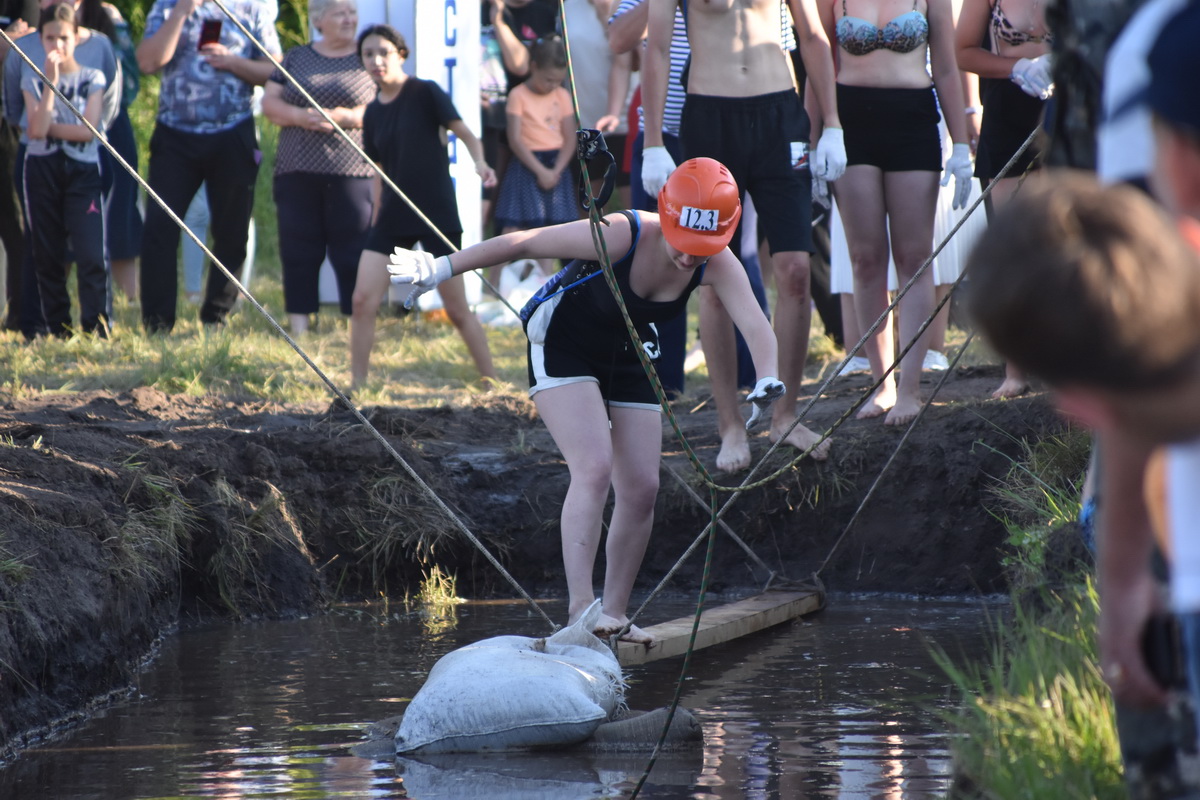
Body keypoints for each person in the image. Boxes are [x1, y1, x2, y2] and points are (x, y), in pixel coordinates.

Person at [388, 158, 785, 642]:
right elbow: (526, 242)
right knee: (594, 466)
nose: (689, 258)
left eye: (702, 248)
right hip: (564, 341)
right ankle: (581, 610)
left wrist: (767, 377)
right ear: (667, 213)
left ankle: (613, 617)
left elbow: (756, 324)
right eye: (682, 242)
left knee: (642, 487)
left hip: (629, 352)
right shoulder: (623, 233)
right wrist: (442, 267)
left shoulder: (717, 261)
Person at [643, 0, 843, 472]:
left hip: (779, 113)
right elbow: (657, 47)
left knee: (795, 270)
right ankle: (730, 424)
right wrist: (652, 141)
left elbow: (813, 36)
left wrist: (831, 122)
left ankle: (785, 415)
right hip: (711, 117)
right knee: (714, 276)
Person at [816, 0, 970, 425]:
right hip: (850, 120)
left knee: (914, 257)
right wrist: (811, 138)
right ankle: (881, 384)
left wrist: (961, 144)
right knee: (866, 258)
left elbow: (946, 67)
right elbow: (820, 63)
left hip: (912, 119)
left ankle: (910, 388)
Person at [349, 25, 497, 390]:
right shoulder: (371, 114)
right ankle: (357, 386)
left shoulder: (425, 92)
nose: (376, 60)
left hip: (436, 213)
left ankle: (492, 384)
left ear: (401, 53)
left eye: (383, 51)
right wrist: (375, 215)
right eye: (368, 54)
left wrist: (480, 163)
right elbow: (379, 172)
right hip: (392, 217)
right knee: (362, 300)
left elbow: (465, 133)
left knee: (457, 309)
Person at [135, 0, 281, 333]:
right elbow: (147, 61)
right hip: (174, 135)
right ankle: (157, 325)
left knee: (232, 231)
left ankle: (216, 317)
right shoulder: (169, 5)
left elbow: (275, 69)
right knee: (159, 228)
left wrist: (232, 63)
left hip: (234, 131)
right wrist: (181, 12)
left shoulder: (252, 8)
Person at [3, 0, 118, 339]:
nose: (57, 46)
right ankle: (57, 328)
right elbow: (31, 127)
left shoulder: (94, 72)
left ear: (76, 38)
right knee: (45, 251)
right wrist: (50, 83)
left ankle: (97, 327)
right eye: (50, 39)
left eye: (64, 38)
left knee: (90, 251)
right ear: (41, 39)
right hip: (40, 167)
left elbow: (90, 130)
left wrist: (47, 124)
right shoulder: (30, 71)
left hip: (84, 169)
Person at [955, 0, 1052, 399]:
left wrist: (1062, 63)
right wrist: (1015, 67)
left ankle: (1071, 359)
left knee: (1066, 240)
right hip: (1008, 110)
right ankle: (1016, 369)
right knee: (1015, 244)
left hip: (1066, 108)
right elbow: (962, 51)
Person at [261, 0, 374, 335]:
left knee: (353, 249)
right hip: (297, 169)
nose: (349, 18)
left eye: (352, 12)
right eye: (340, 12)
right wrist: (300, 117)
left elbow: (389, 103)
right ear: (319, 20)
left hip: (354, 170)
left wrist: (346, 118)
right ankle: (299, 325)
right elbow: (269, 102)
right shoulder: (296, 57)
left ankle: (355, 323)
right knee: (298, 247)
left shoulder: (368, 55)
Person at [492, 35, 577, 262]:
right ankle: (497, 283)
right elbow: (515, 138)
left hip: (557, 165)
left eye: (558, 81)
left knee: (554, 228)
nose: (553, 85)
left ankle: (544, 280)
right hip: (527, 163)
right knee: (514, 226)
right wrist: (540, 171)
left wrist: (555, 170)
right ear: (534, 67)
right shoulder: (517, 95)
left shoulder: (563, 96)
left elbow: (570, 138)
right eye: (548, 79)